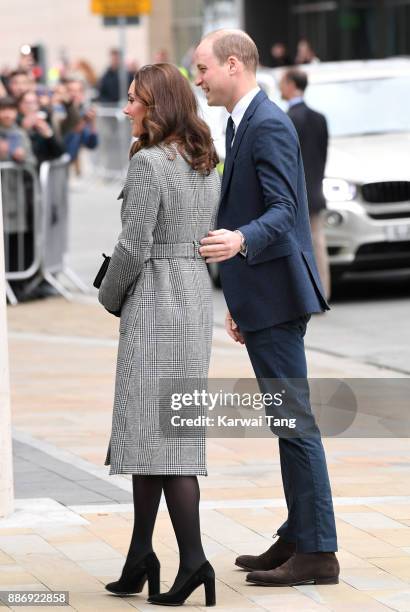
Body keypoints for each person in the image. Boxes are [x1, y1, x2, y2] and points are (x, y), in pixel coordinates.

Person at [194, 29, 339, 587]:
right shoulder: (244, 122)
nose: (199, 80)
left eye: (203, 69)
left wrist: (239, 241)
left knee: (295, 423)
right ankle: (299, 533)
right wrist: (238, 296)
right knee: (286, 423)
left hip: (278, 296)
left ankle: (318, 551)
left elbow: (284, 211)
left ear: (234, 65)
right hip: (263, 297)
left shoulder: (270, 124)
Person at [98, 63, 220, 606]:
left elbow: (133, 247)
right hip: (193, 297)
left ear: (157, 106)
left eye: (133, 100)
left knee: (162, 440)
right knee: (164, 433)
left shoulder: (150, 163)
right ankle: (140, 555)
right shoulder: (204, 161)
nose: (126, 109)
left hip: (155, 300)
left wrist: (107, 297)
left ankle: (193, 560)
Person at [280, 68, 330, 298]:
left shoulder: (287, 120)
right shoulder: (320, 118)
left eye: (282, 83)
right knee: (318, 243)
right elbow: (322, 155)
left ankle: (307, 294)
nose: (281, 88)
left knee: (299, 245)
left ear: (291, 85)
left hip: (295, 193)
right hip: (316, 191)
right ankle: (323, 292)